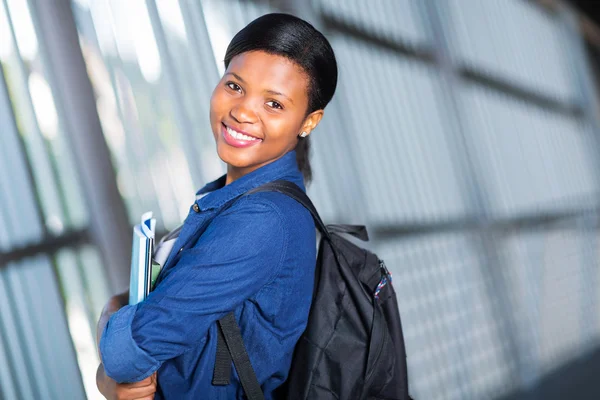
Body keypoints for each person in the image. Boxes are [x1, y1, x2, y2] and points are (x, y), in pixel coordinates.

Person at [95, 12, 338, 399]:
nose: (242, 112)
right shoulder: (234, 198)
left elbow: (125, 356)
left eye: (274, 104)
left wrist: (108, 326)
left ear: (309, 121)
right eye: (235, 86)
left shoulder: (265, 219)